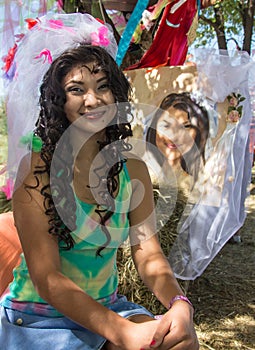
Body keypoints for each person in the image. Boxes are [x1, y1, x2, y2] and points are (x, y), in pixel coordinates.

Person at [0, 13, 198, 350]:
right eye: (76, 90)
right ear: (58, 102)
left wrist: (180, 303)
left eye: (103, 86)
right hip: (38, 320)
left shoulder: (132, 168)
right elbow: (48, 280)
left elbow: (148, 256)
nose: (93, 100)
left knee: (180, 344)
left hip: (107, 308)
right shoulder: (36, 172)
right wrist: (124, 333)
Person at [145, 92, 209, 192]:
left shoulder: (201, 187)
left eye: (185, 127)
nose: (173, 136)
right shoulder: (140, 174)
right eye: (166, 126)